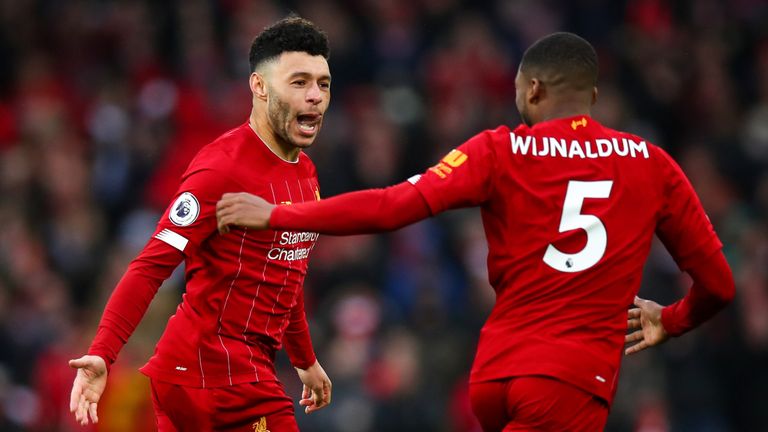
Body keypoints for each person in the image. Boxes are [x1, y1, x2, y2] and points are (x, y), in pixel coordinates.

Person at [215, 32, 735, 431]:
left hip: (493, 373)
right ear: (592, 95)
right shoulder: (652, 164)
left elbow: (390, 206)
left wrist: (277, 213)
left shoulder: (498, 149)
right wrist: (671, 319)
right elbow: (719, 285)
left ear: (533, 88)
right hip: (567, 381)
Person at [69, 16, 333, 431]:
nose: (315, 96)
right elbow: (152, 263)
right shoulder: (221, 169)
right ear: (259, 87)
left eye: (323, 83)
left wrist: (305, 360)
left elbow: (286, 273)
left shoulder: (308, 175)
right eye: (299, 82)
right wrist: (103, 353)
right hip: (219, 378)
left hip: (209, 376)